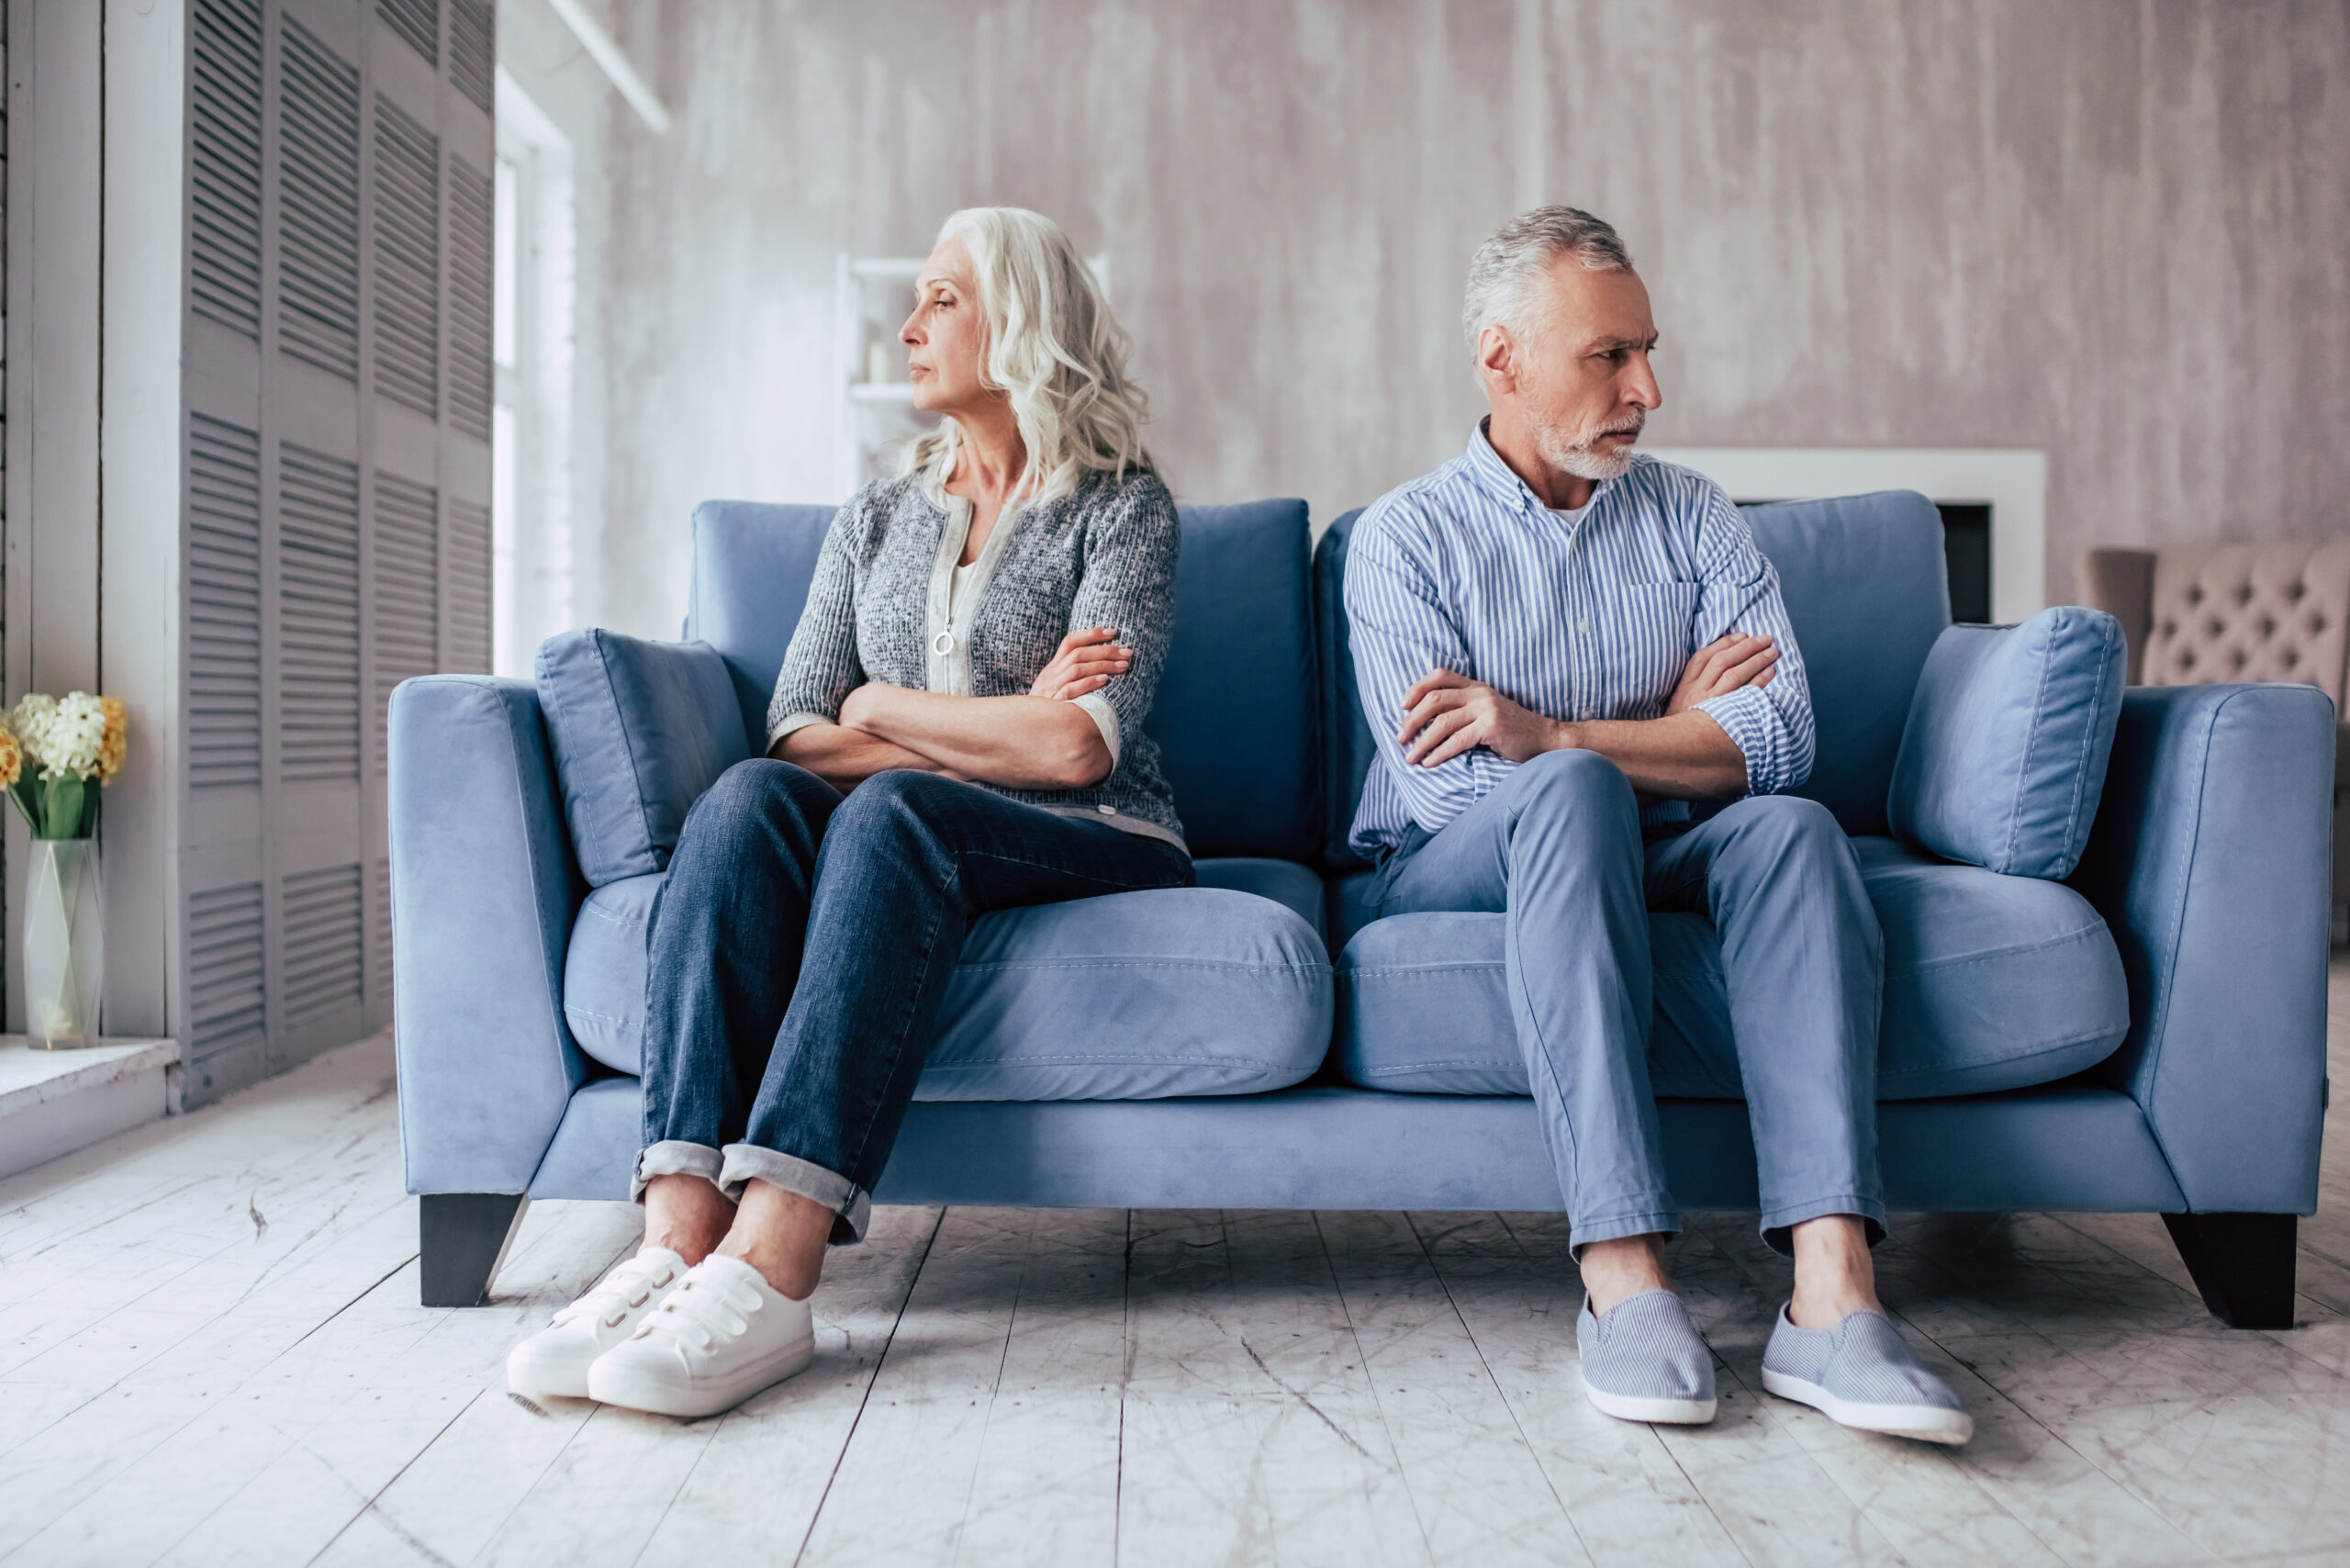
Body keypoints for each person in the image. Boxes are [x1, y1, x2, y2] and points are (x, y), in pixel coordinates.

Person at [506, 207, 1192, 1418]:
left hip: (1102, 838)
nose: (909, 324)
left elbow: (1080, 751)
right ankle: (675, 1234)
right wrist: (968, 721)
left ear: (1018, 323)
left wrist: (886, 707)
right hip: (937, 808)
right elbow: (795, 727)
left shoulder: (1124, 511)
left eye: (941, 299)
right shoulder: (875, 516)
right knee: (747, 798)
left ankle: (775, 1266)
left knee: (893, 814)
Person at [1344, 207, 1971, 1444]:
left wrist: (1556, 731)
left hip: (1629, 832)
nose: (1651, 388)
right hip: (1444, 870)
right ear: (1501, 359)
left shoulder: (1694, 515)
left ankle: (1831, 1301)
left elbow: (1783, 737)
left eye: (1648, 351)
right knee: (1564, 798)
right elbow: (1459, 792)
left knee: (1789, 829)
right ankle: (1625, 1278)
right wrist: (1671, 742)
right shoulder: (1403, 541)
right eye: (1609, 357)